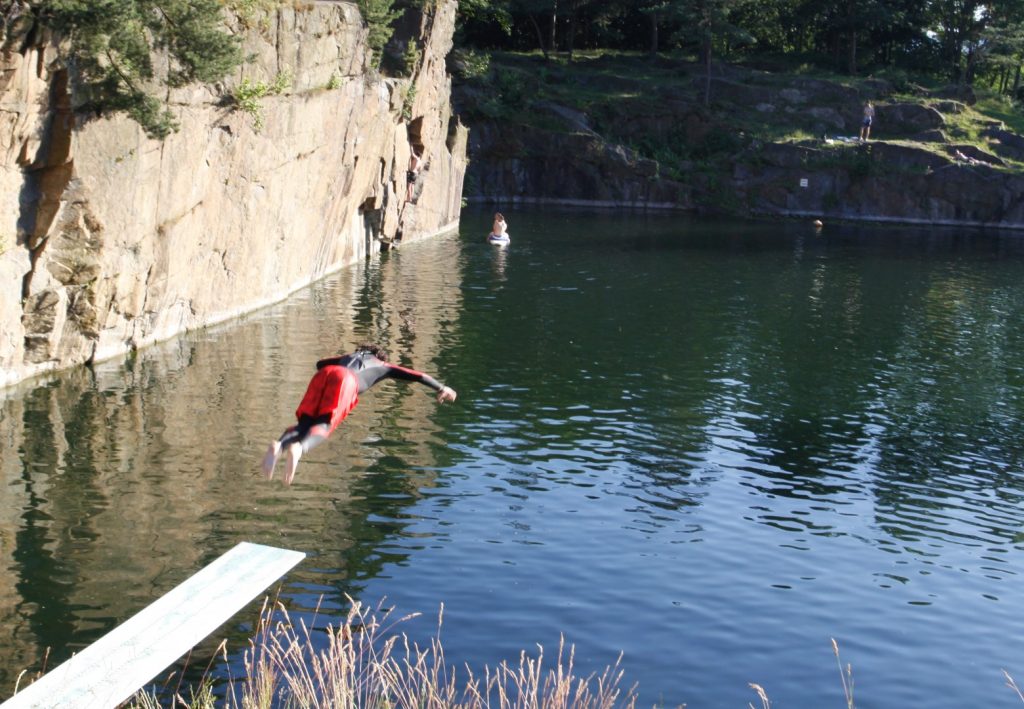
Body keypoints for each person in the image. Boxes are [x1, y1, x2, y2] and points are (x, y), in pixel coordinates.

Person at [261, 343, 457, 485]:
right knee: (325, 425)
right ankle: (299, 449)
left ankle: (280, 445)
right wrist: (441, 387)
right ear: (380, 357)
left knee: (305, 422)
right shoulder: (383, 366)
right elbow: (417, 376)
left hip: (326, 373)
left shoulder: (346, 357)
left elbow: (320, 364)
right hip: (346, 380)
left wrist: (344, 359)